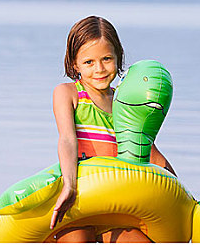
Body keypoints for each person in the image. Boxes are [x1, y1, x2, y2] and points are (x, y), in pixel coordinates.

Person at [50, 16, 176, 243]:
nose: (99, 69)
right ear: (74, 63)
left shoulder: (124, 100)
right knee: (78, 240)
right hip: (80, 201)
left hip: (116, 205)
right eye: (89, 62)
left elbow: (148, 149)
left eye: (107, 59)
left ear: (119, 57)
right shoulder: (67, 94)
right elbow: (67, 140)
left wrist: (181, 193)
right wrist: (69, 183)